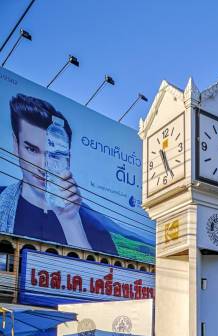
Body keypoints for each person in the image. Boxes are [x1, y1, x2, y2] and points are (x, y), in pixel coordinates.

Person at [0, 94, 138, 254]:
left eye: (55, 155)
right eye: (32, 149)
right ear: (15, 145)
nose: (43, 166)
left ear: (68, 159)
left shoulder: (95, 227)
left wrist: (71, 221)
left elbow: (101, 276)